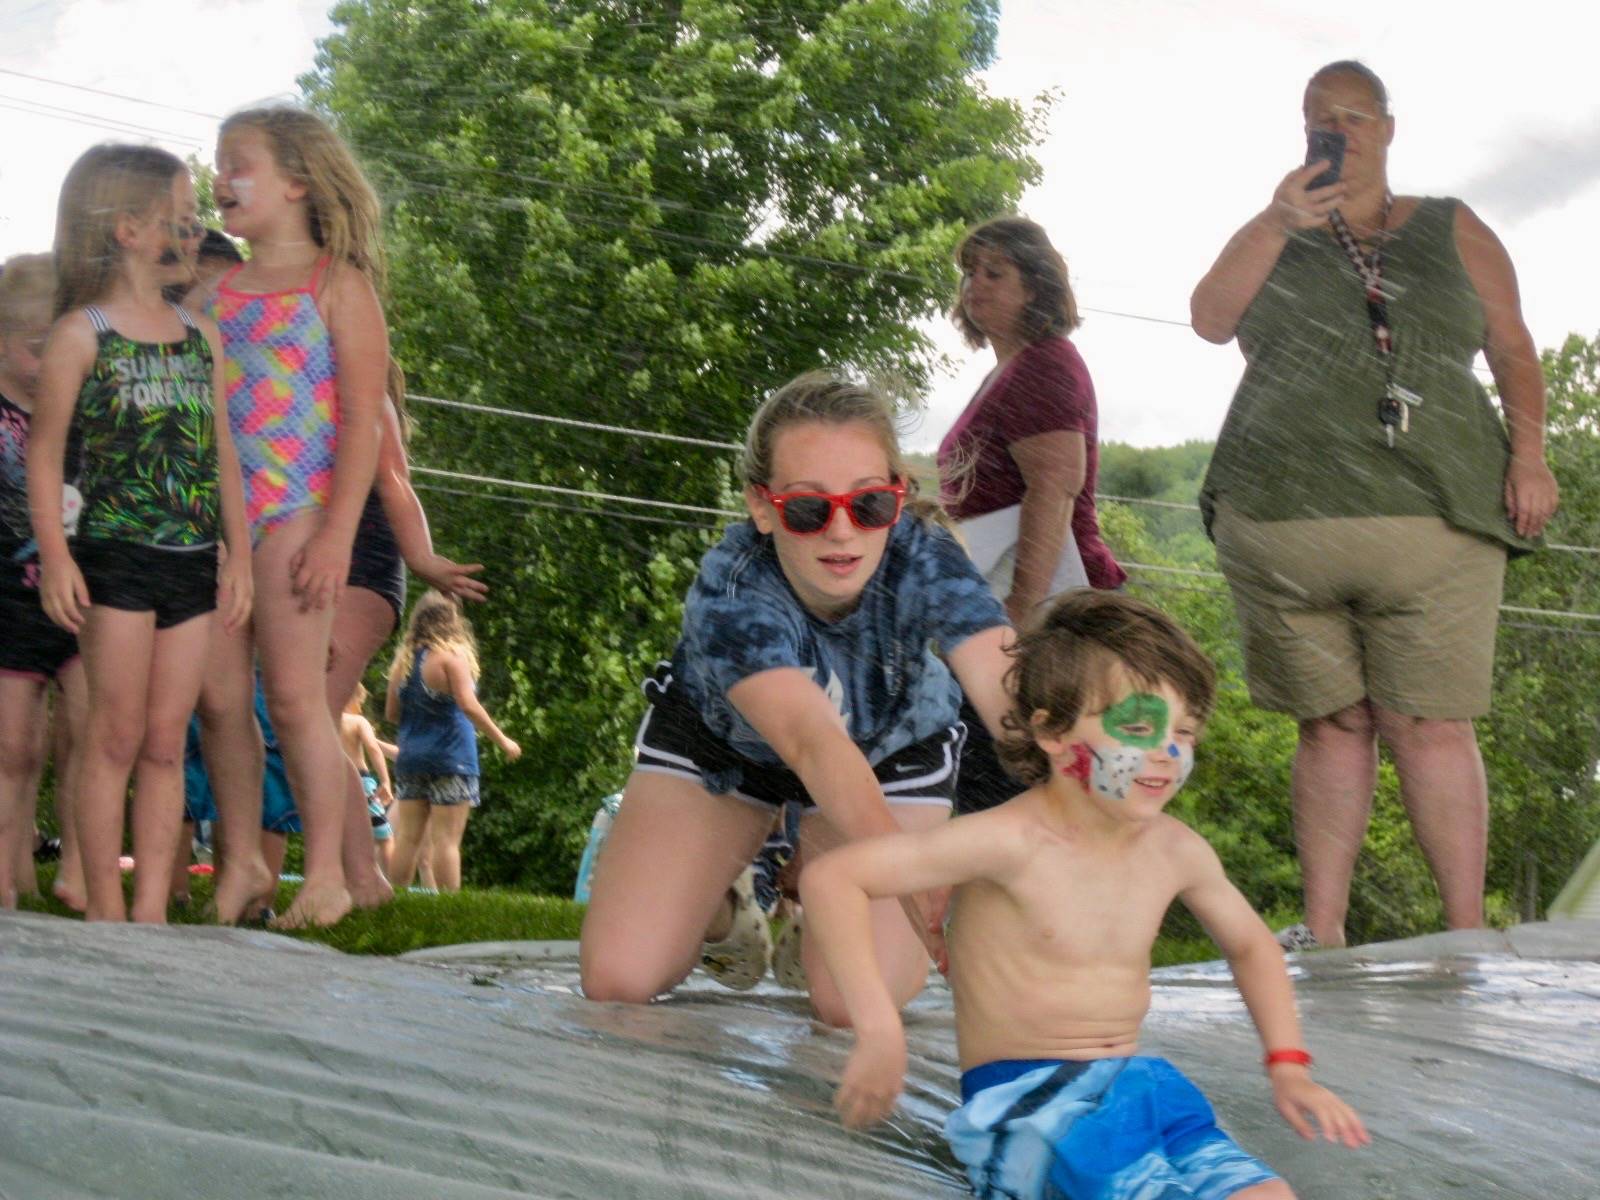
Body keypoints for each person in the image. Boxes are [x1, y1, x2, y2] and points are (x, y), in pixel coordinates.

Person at [803, 591, 1368, 1199]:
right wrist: (881, 1030)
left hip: (1138, 1087)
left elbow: (1253, 946)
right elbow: (833, 878)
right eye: (1138, 727)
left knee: (1269, 1196)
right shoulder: (1010, 841)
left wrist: (1289, 1065)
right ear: (1050, 731)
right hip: (1032, 1104)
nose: (1166, 752)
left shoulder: (1174, 849)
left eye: (1184, 731)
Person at [1189, 61, 1560, 950]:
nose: (1342, 133)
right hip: (1280, 514)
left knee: (1430, 726)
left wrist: (1532, 453)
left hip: (1437, 512)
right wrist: (1279, 219)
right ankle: (1324, 937)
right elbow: (1208, 317)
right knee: (1333, 726)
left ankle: (1466, 939)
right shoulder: (1275, 228)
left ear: (1389, 128)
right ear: (1302, 129)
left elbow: (1512, 347)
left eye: (1357, 118)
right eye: (1324, 119)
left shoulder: (1453, 226)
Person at [579, 371, 1015, 1022]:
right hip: (727, 748)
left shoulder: (924, 556)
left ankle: (821, 899)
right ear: (762, 506)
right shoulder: (732, 594)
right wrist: (910, 871)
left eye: (868, 505)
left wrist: (1078, 799)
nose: (842, 532)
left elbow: (1009, 699)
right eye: (809, 510)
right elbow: (813, 741)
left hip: (893, 752)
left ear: (898, 496)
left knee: (851, 1004)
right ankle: (727, 901)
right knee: (621, 978)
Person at [28, 145, 251, 923]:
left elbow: (221, 452)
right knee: (113, 739)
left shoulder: (201, 338)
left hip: (192, 564)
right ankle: (104, 908)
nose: (195, 231)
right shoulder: (81, 335)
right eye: (180, 218)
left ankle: (151, 909)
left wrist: (240, 555)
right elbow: (46, 451)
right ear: (127, 229)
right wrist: (55, 557)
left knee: (166, 742)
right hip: (116, 561)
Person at [202, 105, 391, 928]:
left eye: (237, 162)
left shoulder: (337, 288)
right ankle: (242, 861)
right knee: (217, 700)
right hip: (218, 524)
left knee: (292, 700)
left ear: (297, 181)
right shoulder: (213, 293)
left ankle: (325, 877)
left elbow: (362, 425)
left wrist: (337, 535)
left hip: (297, 516)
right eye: (216, 164)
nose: (220, 179)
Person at [937, 217, 1125, 816]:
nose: (976, 285)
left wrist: (1019, 615)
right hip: (995, 598)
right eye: (969, 273)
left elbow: (1054, 487)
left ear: (1037, 287)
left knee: (1020, 784)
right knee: (990, 783)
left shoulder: (1046, 365)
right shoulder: (1006, 370)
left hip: (1043, 611)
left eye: (996, 273)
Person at [0, 253, 89, 911]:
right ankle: (10, 871)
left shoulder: (83, 417)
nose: (50, 364)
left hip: (82, 600)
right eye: (37, 349)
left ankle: (80, 872)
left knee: (92, 734)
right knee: (14, 748)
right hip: (9, 601)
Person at [385, 589, 518, 892]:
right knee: (446, 841)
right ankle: (450, 906)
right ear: (451, 621)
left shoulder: (403, 665)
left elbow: (392, 714)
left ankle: (393, 901)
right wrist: (503, 740)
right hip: (451, 758)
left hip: (411, 759)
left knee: (407, 836)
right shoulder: (451, 657)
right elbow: (468, 705)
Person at [340, 684, 395, 876]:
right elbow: (373, 749)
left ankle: (346, 878)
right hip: (360, 782)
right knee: (384, 835)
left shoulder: (325, 720)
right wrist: (385, 781)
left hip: (333, 782)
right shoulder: (357, 721)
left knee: (345, 834)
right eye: (359, 703)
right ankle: (393, 883)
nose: (361, 708)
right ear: (351, 698)